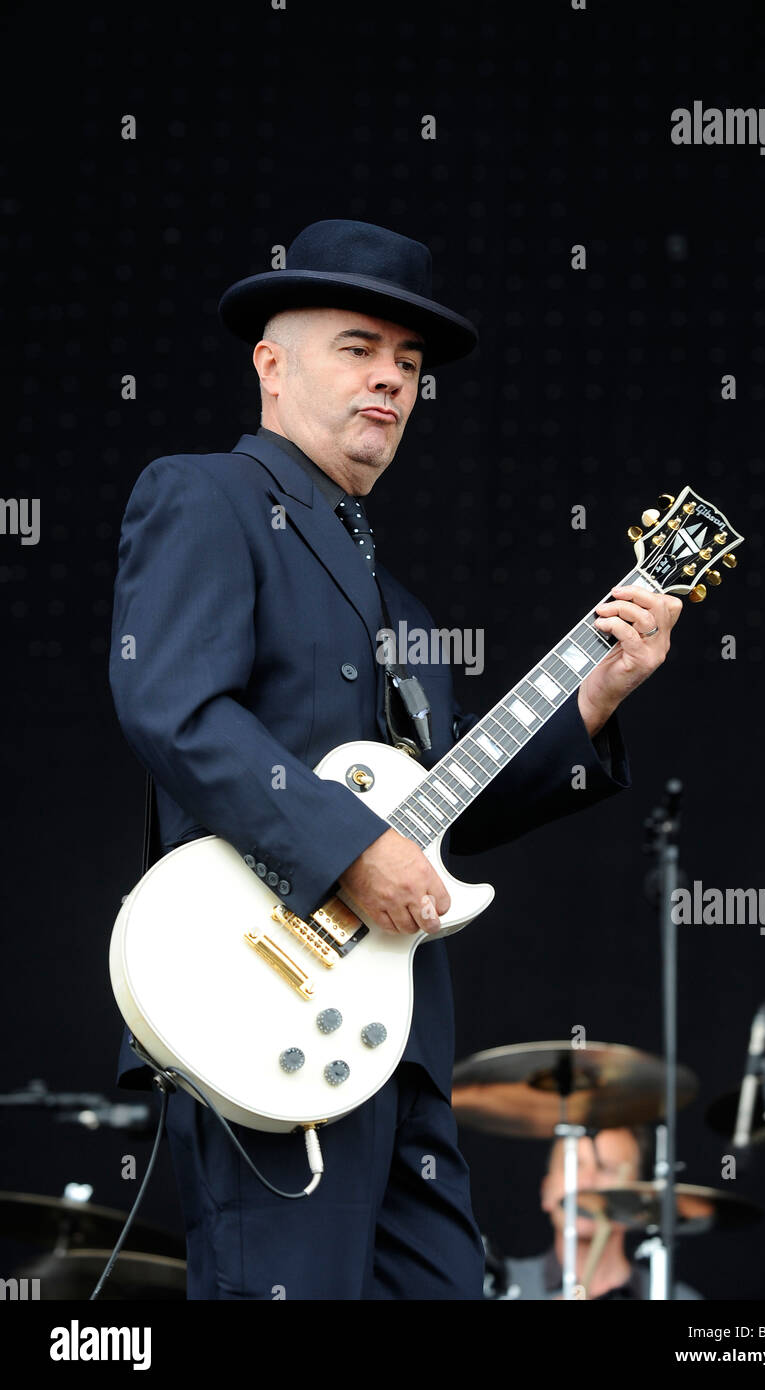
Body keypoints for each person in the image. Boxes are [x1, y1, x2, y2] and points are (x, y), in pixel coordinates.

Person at [109, 218, 682, 1300]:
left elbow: (442, 822)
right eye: (358, 347)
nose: (390, 380)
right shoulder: (205, 496)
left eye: (409, 365)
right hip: (260, 1009)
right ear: (270, 364)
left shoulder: (400, 610)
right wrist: (348, 853)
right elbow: (170, 703)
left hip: (391, 1034)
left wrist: (594, 698)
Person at [504, 1127, 703, 1300]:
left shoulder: (677, 1297)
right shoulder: (492, 1287)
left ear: (638, 1201)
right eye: (574, 1166)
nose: (587, 1183)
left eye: (607, 1169)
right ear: (546, 1191)